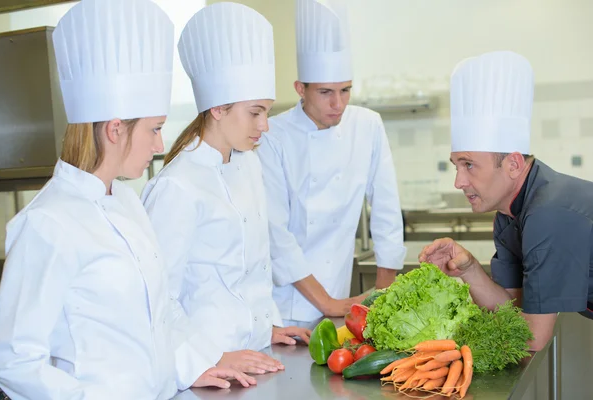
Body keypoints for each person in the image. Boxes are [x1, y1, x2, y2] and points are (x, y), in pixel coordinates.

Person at [0, 1, 253, 398]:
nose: (160, 144)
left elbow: (156, 318)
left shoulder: (127, 203)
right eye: (154, 130)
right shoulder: (48, 223)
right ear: (115, 129)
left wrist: (192, 364)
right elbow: (13, 360)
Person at [141, 2, 311, 376]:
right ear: (218, 108)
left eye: (266, 111)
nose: (264, 126)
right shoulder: (177, 187)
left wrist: (266, 328)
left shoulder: (247, 164)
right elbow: (157, 298)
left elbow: (246, 275)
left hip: (254, 357)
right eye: (255, 112)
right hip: (208, 371)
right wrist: (208, 359)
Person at [419, 51, 593, 351]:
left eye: (469, 165)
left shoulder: (548, 213)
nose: (458, 182)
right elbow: (512, 310)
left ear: (513, 164)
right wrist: (469, 269)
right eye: (456, 166)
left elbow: (533, 339)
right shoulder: (509, 215)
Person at [256, 0, 406, 328]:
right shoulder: (273, 135)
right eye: (325, 92)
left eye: (345, 90)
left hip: (340, 298)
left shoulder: (367, 125)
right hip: (284, 303)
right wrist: (326, 302)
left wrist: (384, 296)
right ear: (301, 89)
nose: (338, 104)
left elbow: (386, 212)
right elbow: (275, 233)